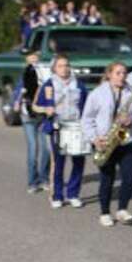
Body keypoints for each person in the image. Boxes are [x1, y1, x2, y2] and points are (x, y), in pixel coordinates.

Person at [82, 61, 132, 227]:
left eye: (124, 73)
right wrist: (94, 138)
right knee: (107, 179)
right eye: (118, 73)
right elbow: (87, 119)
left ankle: (122, 209)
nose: (122, 76)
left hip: (127, 140)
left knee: (129, 177)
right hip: (105, 141)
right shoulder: (97, 93)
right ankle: (104, 212)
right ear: (109, 74)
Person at [34, 54, 88, 209]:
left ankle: (73, 194)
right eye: (60, 66)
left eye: (66, 65)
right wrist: (46, 109)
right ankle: (57, 195)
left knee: (78, 162)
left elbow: (86, 105)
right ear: (54, 69)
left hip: (76, 127)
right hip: (58, 128)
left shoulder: (78, 84)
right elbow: (36, 106)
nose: (64, 68)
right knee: (59, 163)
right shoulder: (49, 85)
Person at [16, 51, 49, 193]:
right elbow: (17, 91)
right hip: (28, 116)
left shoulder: (45, 75)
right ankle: (32, 182)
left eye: (36, 59)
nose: (34, 61)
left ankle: (44, 178)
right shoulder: (24, 74)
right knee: (33, 148)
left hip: (42, 115)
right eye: (31, 59)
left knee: (46, 149)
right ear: (26, 60)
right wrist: (16, 102)